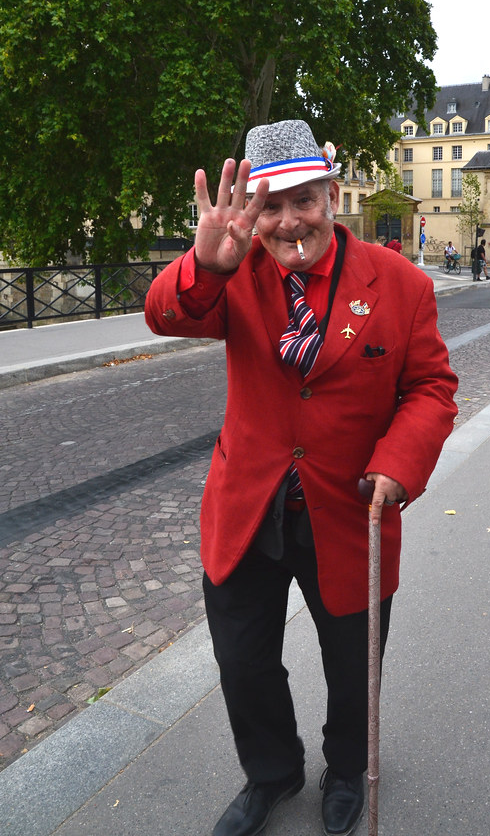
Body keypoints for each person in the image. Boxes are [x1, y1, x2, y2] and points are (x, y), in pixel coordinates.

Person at [145, 120, 458, 836]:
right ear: (250, 211)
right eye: (270, 205)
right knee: (242, 663)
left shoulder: (399, 284)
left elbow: (432, 388)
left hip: (351, 512)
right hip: (247, 507)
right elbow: (166, 316)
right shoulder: (234, 268)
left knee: (352, 667)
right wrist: (203, 264)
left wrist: (397, 464)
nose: (288, 222)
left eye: (303, 200)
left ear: (332, 194)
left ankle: (345, 768)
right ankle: (272, 772)